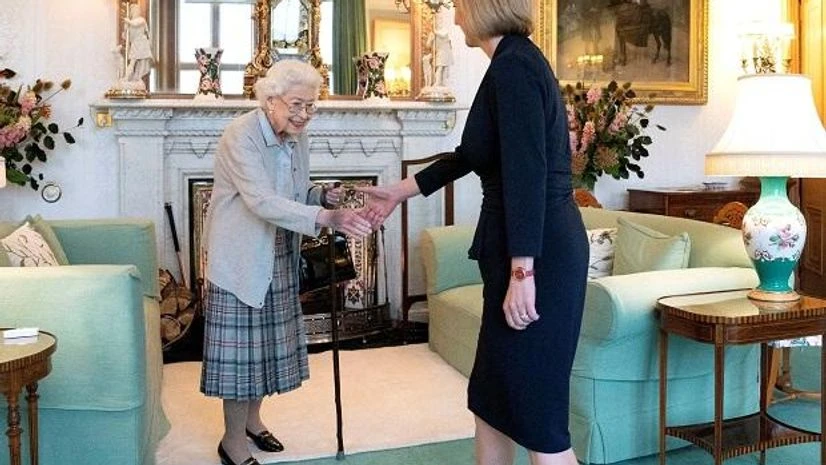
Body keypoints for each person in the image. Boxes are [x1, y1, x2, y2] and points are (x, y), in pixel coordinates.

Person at [358, 1, 588, 464]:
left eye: (461, 7)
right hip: (520, 250)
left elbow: (527, 171)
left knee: (540, 422)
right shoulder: (510, 62)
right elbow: (472, 153)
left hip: (537, 255)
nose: (457, 17)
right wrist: (399, 191)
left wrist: (523, 272)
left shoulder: (515, 66)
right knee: (491, 402)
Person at [199, 60, 372, 465]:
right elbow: (260, 200)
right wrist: (325, 218)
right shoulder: (240, 136)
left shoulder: (297, 137)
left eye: (311, 107)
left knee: (264, 350)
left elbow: (293, 190)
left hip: (278, 252)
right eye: (297, 105)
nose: (304, 115)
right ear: (270, 100)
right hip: (240, 257)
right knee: (241, 357)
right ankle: (231, 442)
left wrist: (319, 196)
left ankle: (253, 423)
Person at [123, 3, 153, 82]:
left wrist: (128, 21)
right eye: (134, 10)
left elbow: (135, 24)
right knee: (132, 62)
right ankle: (126, 78)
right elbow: (125, 37)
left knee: (142, 62)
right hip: (135, 44)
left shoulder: (141, 19)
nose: (136, 12)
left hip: (142, 43)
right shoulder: (130, 22)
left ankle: (138, 77)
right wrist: (125, 29)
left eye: (137, 10)